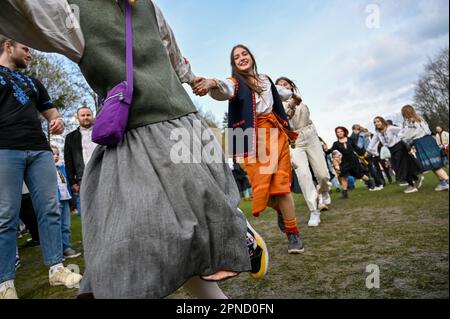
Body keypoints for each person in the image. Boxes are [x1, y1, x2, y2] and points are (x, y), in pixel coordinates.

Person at [1, 0, 269, 299]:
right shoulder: (71, 12)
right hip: (131, 138)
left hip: (176, 126)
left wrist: (196, 81)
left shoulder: (147, 7)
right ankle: (232, 246)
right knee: (143, 234)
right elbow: (22, 9)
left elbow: (173, 54)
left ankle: (235, 234)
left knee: (177, 225)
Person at [193, 45, 305, 254]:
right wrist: (210, 83)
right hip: (251, 140)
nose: (241, 58)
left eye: (244, 54)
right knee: (263, 190)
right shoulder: (235, 83)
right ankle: (282, 211)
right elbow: (223, 87)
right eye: (236, 57)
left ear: (252, 57)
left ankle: (293, 233)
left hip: (276, 134)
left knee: (281, 186)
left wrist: (294, 97)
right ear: (233, 64)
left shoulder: (266, 80)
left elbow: (283, 93)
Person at [0, 36, 82, 299]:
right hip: (4, 149)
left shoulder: (34, 83)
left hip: (39, 151)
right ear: (8, 46)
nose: (30, 54)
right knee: (6, 216)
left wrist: (57, 120)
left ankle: (57, 269)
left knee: (50, 210)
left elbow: (52, 112)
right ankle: (5, 285)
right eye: (26, 48)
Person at [276, 76, 331, 228]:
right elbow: (286, 117)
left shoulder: (299, 99)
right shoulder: (278, 105)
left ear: (291, 86)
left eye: (285, 84)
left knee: (323, 174)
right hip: (294, 141)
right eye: (279, 86)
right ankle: (314, 210)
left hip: (311, 135)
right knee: (304, 176)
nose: (282, 87)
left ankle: (324, 190)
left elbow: (300, 108)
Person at [399, 105, 449, 192]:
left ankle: (447, 180)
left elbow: (406, 135)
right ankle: (442, 182)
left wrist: (400, 135)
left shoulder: (410, 122)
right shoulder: (420, 118)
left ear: (404, 113)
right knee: (433, 164)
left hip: (421, 142)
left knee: (434, 165)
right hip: (429, 140)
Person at [367, 116, 423, 194]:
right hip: (391, 150)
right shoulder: (377, 133)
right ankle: (416, 179)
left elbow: (402, 131)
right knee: (398, 167)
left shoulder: (390, 128)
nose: (376, 123)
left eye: (378, 121)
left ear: (382, 121)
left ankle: (411, 185)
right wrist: (368, 150)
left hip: (399, 147)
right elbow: (372, 142)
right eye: (375, 122)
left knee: (401, 167)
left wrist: (401, 138)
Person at [64, 107, 97, 217]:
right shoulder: (70, 137)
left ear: (92, 116)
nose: (86, 117)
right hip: (82, 177)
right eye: (83, 115)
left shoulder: (101, 131)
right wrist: (72, 182)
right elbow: (68, 161)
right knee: (87, 212)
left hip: (103, 173)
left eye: (88, 115)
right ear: (77, 117)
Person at [325, 127, 375, 199]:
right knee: (343, 176)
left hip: (354, 161)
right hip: (345, 162)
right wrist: (325, 151)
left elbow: (357, 149)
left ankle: (369, 180)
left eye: (341, 131)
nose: (339, 133)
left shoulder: (350, 140)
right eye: (338, 132)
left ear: (344, 132)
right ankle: (344, 193)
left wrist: (364, 153)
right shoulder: (336, 143)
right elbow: (330, 150)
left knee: (360, 175)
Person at [51, 145, 82, 259]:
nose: (56, 156)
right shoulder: (46, 169)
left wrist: (71, 202)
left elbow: (66, 184)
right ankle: (57, 252)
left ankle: (66, 248)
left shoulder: (61, 167)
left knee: (66, 226)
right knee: (56, 227)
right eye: (53, 154)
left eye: (57, 154)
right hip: (56, 201)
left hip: (65, 200)